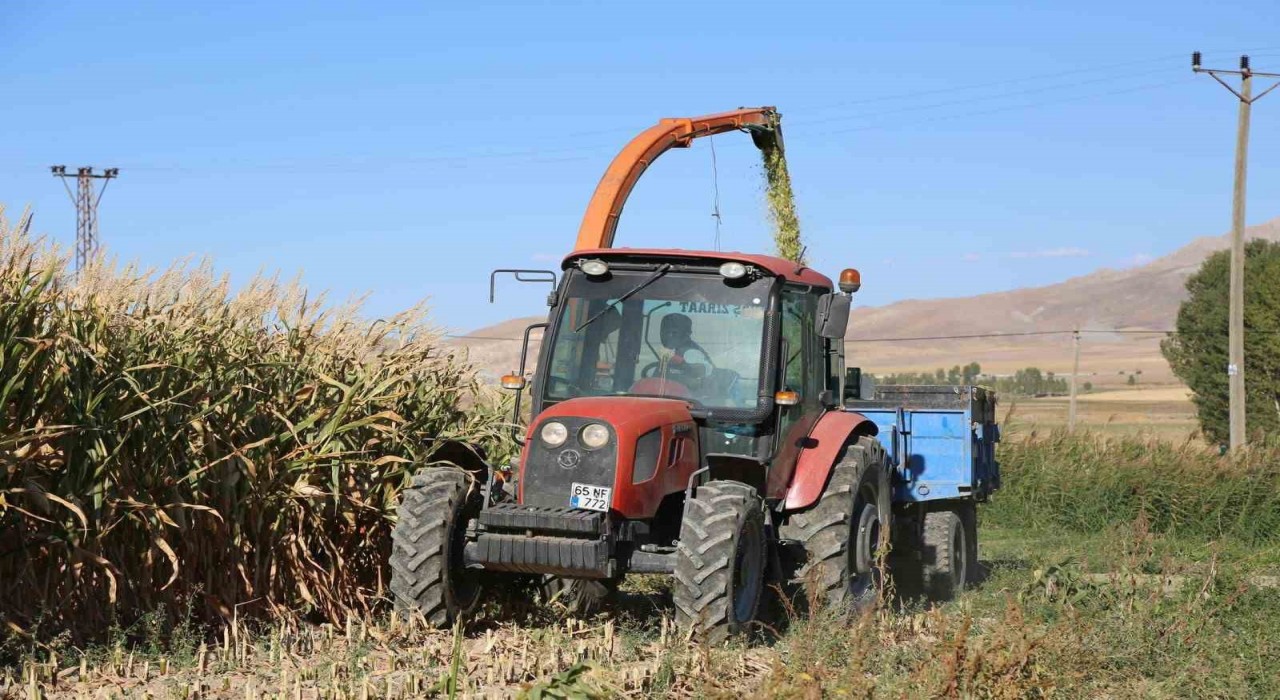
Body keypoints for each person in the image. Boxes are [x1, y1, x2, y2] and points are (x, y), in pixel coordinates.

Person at [658, 313, 713, 383]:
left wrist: (684, 365)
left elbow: (702, 371)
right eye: (665, 332)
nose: (668, 336)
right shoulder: (674, 350)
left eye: (674, 332)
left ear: (686, 334)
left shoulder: (691, 352)